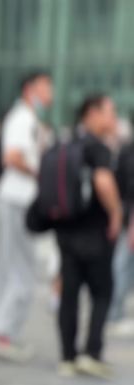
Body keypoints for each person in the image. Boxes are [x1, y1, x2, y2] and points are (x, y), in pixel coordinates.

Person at [0, 71, 53, 361]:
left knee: (9, 265)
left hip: (12, 198)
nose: (50, 94)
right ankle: (3, 332)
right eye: (46, 87)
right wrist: (42, 174)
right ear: (30, 89)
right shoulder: (23, 117)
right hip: (18, 200)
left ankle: (2, 331)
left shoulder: (25, 117)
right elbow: (12, 156)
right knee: (23, 269)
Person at [54, 95, 122, 378]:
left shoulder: (66, 143)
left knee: (69, 294)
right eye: (110, 112)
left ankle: (68, 357)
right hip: (95, 233)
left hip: (66, 231)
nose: (113, 118)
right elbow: (103, 182)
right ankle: (91, 353)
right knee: (102, 292)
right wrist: (117, 214)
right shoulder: (98, 148)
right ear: (92, 114)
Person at [110, 116, 134, 337]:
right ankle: (114, 313)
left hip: (125, 214)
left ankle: (115, 311)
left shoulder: (125, 150)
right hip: (130, 217)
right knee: (123, 265)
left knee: (123, 266)